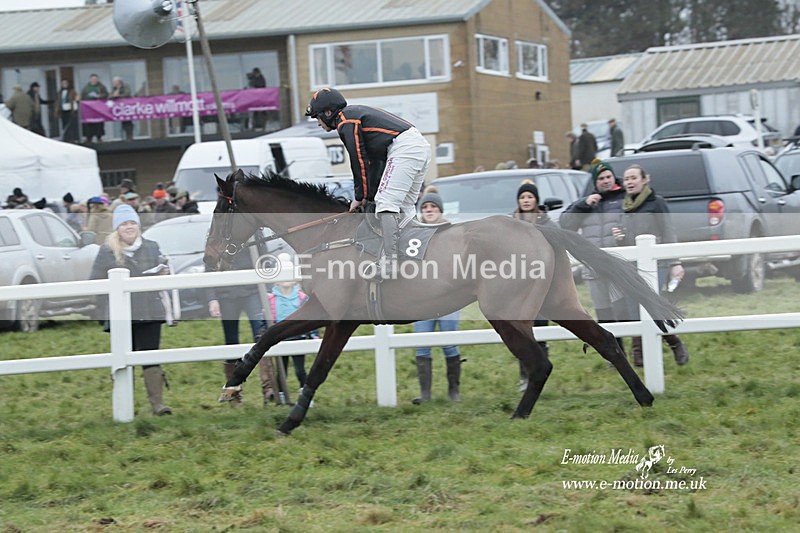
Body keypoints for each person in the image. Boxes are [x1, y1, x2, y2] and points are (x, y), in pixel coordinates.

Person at [305, 87, 431, 281]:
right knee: (403, 206)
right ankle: (415, 253)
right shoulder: (352, 116)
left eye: (317, 117)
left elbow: (359, 161)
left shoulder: (345, 121)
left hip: (405, 148)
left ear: (328, 113)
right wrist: (368, 196)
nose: (318, 123)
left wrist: (359, 197)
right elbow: (374, 164)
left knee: (386, 203)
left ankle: (390, 262)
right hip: (417, 146)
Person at [89, 204, 172, 415]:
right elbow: (96, 283)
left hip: (150, 312)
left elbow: (165, 275)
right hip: (120, 315)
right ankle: (125, 405)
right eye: (124, 223)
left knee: (150, 356)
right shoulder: (106, 251)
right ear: (117, 227)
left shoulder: (152, 246)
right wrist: (101, 315)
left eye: (132, 222)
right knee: (123, 358)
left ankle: (158, 405)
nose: (129, 227)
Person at [613, 164, 689, 367]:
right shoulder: (625, 205)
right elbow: (628, 240)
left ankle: (674, 344)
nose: (629, 182)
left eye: (633, 178)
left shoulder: (657, 203)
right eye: (626, 179)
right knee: (633, 307)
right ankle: (641, 353)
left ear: (645, 179)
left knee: (649, 303)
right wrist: (620, 238)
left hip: (658, 263)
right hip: (633, 264)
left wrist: (675, 262)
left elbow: (669, 232)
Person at [560, 161, 629, 355]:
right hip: (593, 268)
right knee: (603, 313)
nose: (606, 181)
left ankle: (638, 351)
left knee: (621, 311)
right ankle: (616, 354)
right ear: (595, 182)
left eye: (608, 177)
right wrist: (584, 204)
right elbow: (565, 223)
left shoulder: (623, 198)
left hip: (616, 266)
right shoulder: (586, 202)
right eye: (601, 178)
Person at [411, 186, 462, 403]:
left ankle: (454, 392)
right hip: (421, 300)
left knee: (449, 344)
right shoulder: (413, 235)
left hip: (448, 298)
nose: (429, 210)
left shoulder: (453, 233)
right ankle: (425, 394)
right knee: (422, 344)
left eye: (433, 206)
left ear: (440, 210)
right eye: (425, 207)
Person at [207, 251, 273, 405]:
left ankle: (269, 389)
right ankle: (232, 393)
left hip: (252, 291)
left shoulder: (253, 230)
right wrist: (212, 298)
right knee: (231, 342)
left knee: (262, 336)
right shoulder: (217, 231)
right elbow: (209, 264)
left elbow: (264, 259)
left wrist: (268, 291)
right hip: (226, 294)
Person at [512, 179, 554, 391]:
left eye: (529, 197)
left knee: (540, 329)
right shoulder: (512, 223)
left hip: (541, 284)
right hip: (519, 285)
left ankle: (541, 374)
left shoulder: (546, 222)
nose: (526, 200)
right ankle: (525, 375)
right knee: (521, 332)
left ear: (536, 200)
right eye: (522, 197)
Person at [268, 279, 315, 395]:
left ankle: (305, 395)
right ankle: (281, 395)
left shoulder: (302, 298)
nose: (286, 280)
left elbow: (311, 316)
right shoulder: (271, 299)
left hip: (299, 337)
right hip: (280, 339)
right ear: (277, 281)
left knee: (300, 370)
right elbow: (267, 319)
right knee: (282, 371)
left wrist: (313, 334)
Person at [80, 73, 108, 143]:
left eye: (95, 79)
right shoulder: (86, 87)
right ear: (90, 79)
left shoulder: (101, 87)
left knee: (99, 122)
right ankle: (89, 137)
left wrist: (99, 96)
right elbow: (82, 96)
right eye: (93, 79)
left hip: (98, 108)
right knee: (89, 123)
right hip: (89, 109)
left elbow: (106, 94)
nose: (94, 80)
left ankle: (99, 137)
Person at [110, 76, 133, 140]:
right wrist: (113, 95)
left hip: (126, 107)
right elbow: (110, 96)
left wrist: (119, 96)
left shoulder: (126, 86)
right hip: (118, 109)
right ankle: (123, 137)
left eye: (115, 82)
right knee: (123, 122)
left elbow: (127, 94)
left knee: (128, 122)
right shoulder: (114, 89)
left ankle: (129, 136)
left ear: (119, 81)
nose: (114, 83)